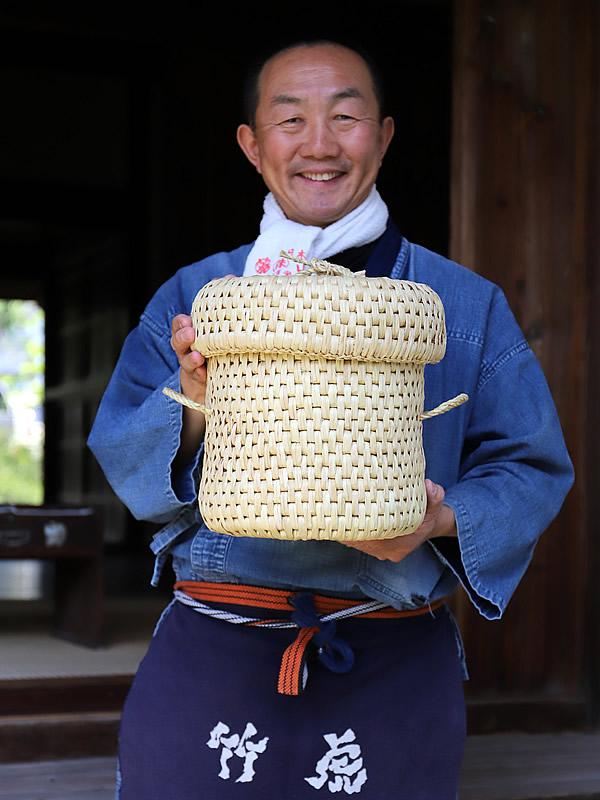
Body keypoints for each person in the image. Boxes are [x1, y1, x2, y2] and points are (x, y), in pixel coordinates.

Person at [88, 40, 574, 799]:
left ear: (382, 137)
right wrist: (195, 409)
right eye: (290, 120)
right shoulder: (197, 296)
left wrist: (440, 519)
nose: (319, 143)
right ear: (252, 145)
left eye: (345, 116)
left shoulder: (462, 304)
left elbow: (532, 465)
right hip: (219, 648)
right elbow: (124, 455)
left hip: (389, 651)